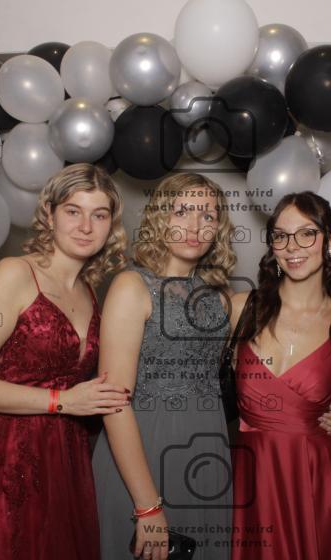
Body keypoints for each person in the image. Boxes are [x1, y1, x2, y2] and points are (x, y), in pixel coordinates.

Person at [0, 164, 129, 560]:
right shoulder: (15, 273)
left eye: (99, 215)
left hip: (64, 457)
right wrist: (62, 401)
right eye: (73, 211)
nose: (86, 226)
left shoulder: (90, 292)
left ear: (110, 226)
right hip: (2, 453)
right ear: (50, 214)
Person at [92, 173, 239, 560]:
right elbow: (113, 401)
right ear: (161, 216)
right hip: (143, 453)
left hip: (207, 452)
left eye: (207, 216)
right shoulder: (131, 286)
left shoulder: (219, 297)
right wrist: (147, 506)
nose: (195, 226)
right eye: (183, 211)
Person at [228, 191, 331, 560]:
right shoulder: (240, 309)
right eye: (281, 236)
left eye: (306, 233)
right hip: (249, 478)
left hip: (313, 481)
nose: (292, 246)